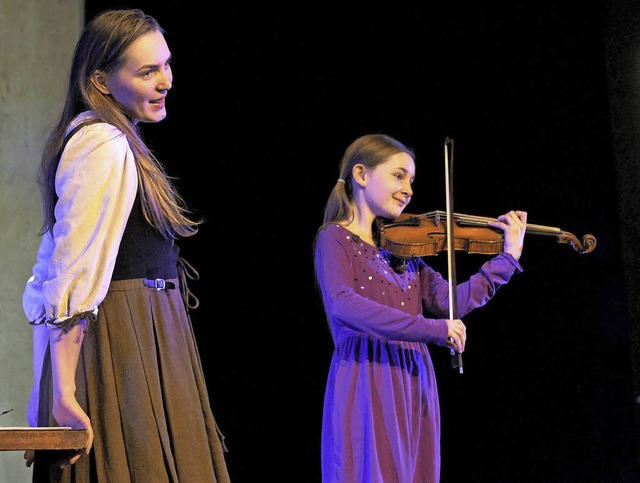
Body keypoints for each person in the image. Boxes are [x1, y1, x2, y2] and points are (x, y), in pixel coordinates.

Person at [21, 8, 231, 482]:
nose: (166, 81)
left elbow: (51, 273)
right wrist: (58, 393)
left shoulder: (118, 139)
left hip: (151, 329)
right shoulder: (100, 143)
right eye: (147, 71)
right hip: (121, 336)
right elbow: (66, 272)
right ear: (100, 79)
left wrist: (45, 389)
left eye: (166, 64)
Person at [313, 133, 527, 482]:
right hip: (369, 374)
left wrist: (507, 259)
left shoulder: (403, 252)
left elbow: (449, 303)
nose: (408, 188)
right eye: (399, 175)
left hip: (414, 377)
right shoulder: (334, 238)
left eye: (411, 179)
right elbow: (344, 306)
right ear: (361, 175)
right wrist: (435, 331)